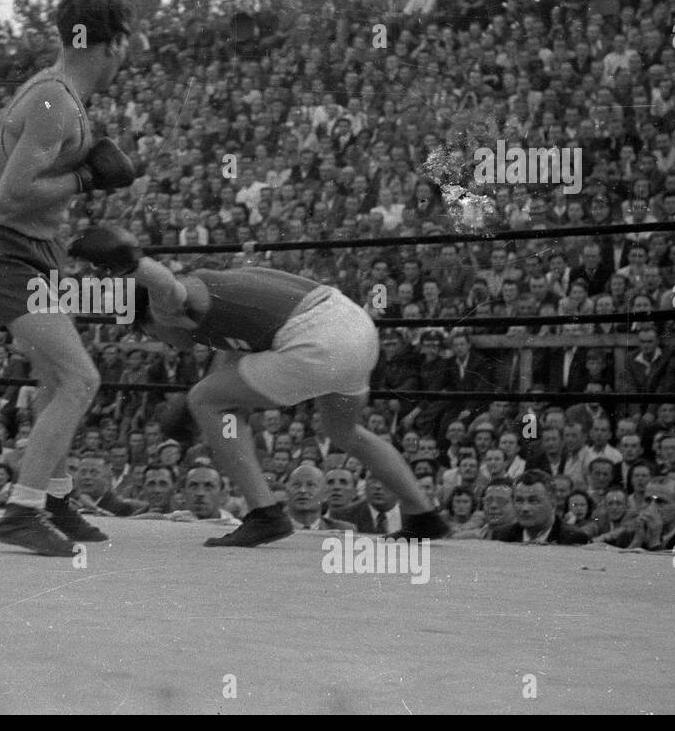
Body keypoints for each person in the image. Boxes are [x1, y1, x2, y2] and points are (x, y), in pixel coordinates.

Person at [69, 225, 449, 547]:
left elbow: (166, 287)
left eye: (158, 337)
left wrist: (130, 262)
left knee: (205, 399)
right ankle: (423, 514)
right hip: (354, 327)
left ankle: (265, 513)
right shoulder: (225, 305)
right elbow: (230, 365)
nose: (170, 345)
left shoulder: (172, 303)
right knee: (342, 430)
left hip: (317, 337)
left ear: (150, 317)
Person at [0, 0, 135, 556]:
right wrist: (85, 178)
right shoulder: (54, 100)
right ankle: (22, 509)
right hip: (12, 255)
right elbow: (11, 198)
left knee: (55, 379)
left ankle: (55, 497)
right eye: (127, 44)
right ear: (112, 46)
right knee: (81, 378)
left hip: (28, 251)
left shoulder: (45, 89)